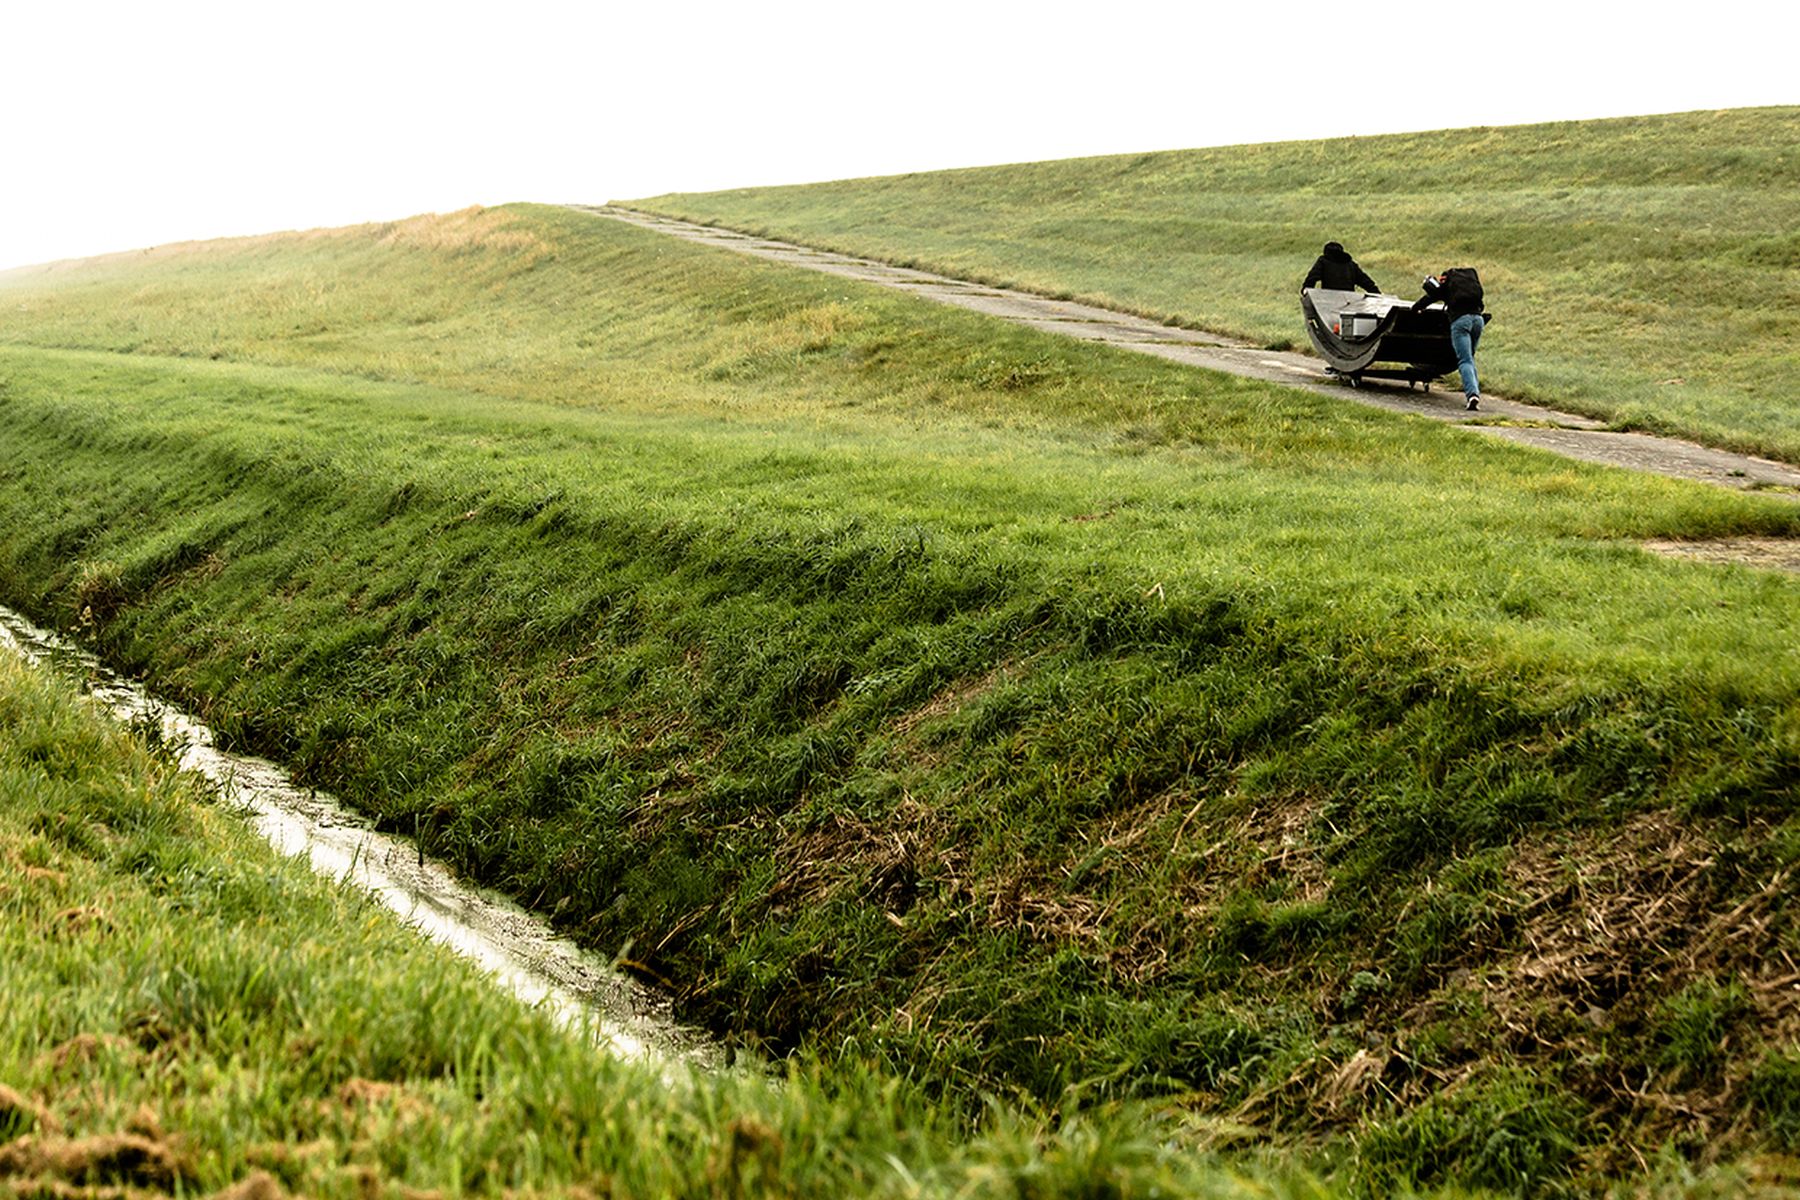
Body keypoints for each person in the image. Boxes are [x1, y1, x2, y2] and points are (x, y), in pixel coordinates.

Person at [1414, 267, 1488, 410]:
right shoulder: (1469, 284)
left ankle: (1472, 394)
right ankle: (1474, 391)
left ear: (1445, 279)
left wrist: (1416, 308)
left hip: (1460, 322)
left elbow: (1430, 297)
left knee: (1464, 360)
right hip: (1478, 320)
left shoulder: (1447, 286)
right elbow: (1481, 305)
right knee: (1470, 358)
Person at [1302, 241, 1381, 294]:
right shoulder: (1350, 264)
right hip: (1349, 301)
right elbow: (1365, 281)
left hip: (1328, 299)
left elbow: (1312, 277)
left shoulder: (1323, 261)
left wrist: (1305, 289)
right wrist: (1377, 294)